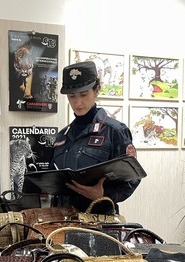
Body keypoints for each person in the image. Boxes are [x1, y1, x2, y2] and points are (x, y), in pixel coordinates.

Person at [48, 61, 140, 213]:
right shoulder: (61, 137)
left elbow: (132, 178)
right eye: (72, 96)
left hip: (100, 224)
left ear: (96, 90)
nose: (78, 102)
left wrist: (104, 194)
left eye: (84, 95)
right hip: (62, 222)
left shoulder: (115, 132)